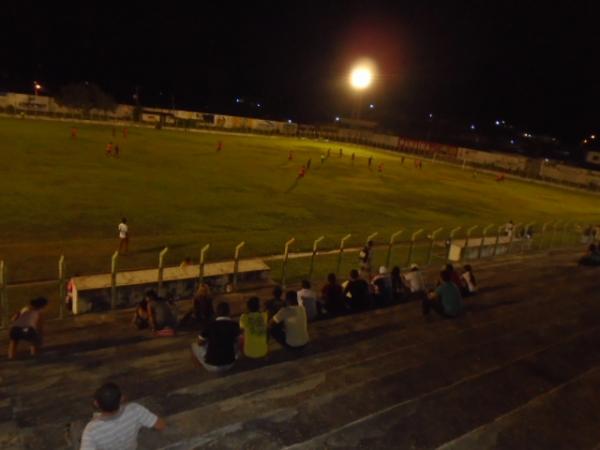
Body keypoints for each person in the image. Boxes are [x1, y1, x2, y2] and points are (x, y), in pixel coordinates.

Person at [80, 382, 166, 450]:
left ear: (96, 404)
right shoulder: (135, 410)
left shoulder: (90, 430)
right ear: (122, 398)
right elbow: (161, 425)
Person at [191, 302, 241, 372]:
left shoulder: (210, 325)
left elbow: (199, 343)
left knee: (194, 345)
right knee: (237, 341)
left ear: (216, 313)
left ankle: (198, 368)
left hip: (212, 366)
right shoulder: (234, 325)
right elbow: (238, 342)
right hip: (230, 364)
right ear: (229, 312)